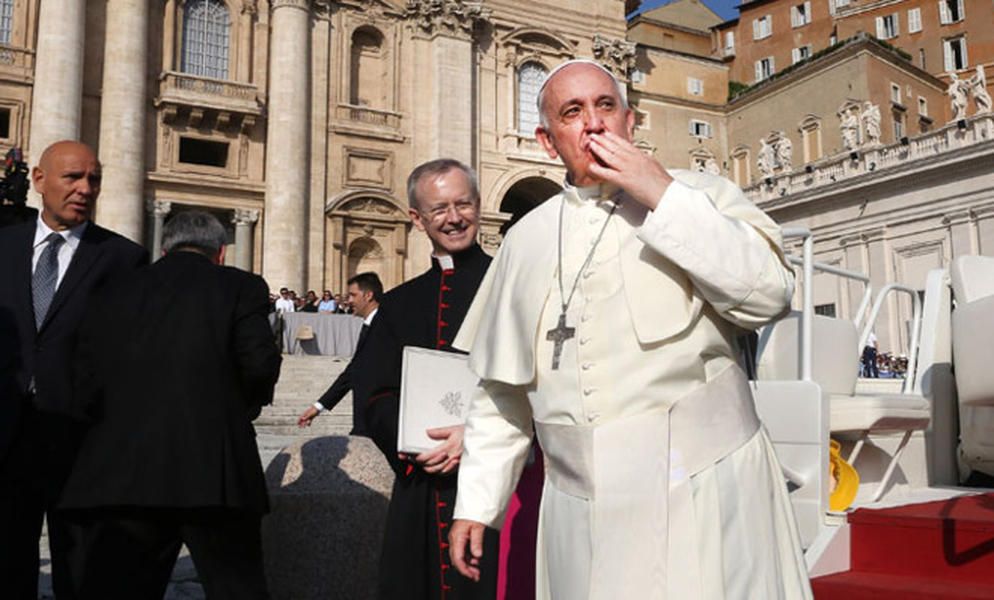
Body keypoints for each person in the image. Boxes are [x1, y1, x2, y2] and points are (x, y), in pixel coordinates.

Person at [448, 60, 812, 599]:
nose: (593, 124)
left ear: (630, 121)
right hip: (580, 508)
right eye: (573, 113)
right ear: (548, 142)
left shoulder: (701, 195)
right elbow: (501, 396)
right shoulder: (525, 240)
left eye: (605, 106)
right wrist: (477, 503)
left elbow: (767, 295)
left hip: (705, 486)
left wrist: (660, 192)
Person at [59, 210, 281, 599]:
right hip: (216, 471)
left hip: (123, 472)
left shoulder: (114, 288)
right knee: (236, 589)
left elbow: (84, 374)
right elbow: (259, 363)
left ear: (164, 248)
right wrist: (237, 408)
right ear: (222, 253)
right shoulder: (241, 286)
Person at [0, 140, 147, 599]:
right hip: (5, 434)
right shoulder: (3, 245)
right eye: (72, 177)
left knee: (81, 569)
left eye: (94, 179)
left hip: (80, 440)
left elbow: (129, 356)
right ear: (39, 180)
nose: (85, 188)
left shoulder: (124, 258)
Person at [356, 159, 500, 600]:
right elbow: (374, 394)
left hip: (500, 482)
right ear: (417, 218)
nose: (454, 218)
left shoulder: (512, 283)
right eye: (439, 209)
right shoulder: (398, 304)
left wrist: (477, 435)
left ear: (478, 207)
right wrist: (418, 444)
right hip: (422, 486)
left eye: (463, 204)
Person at [297, 272, 383, 429]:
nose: (349, 301)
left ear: (368, 295)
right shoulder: (369, 325)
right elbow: (353, 371)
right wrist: (318, 406)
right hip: (367, 418)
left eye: (352, 295)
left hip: (380, 418)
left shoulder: (385, 326)